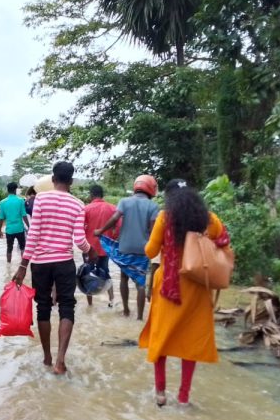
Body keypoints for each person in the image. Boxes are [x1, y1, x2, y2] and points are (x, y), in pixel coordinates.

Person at [139, 178, 231, 406]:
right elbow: (224, 246)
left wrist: (151, 241)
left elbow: (150, 252)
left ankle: (160, 393)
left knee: (161, 337)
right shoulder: (209, 219)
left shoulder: (164, 218)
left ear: (169, 198)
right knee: (191, 341)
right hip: (198, 286)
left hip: (168, 288)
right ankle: (183, 396)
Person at [13, 161, 97, 375]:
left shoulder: (40, 199)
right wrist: (91, 250)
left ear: (53, 179)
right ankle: (60, 361)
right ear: (71, 181)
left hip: (40, 264)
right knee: (67, 307)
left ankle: (47, 357)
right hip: (64, 263)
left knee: (43, 307)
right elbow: (79, 240)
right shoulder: (78, 204)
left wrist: (23, 265)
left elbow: (33, 234)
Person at [95, 174, 159, 320]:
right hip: (143, 249)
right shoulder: (153, 206)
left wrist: (101, 231)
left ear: (136, 186)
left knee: (124, 278)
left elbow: (114, 218)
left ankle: (126, 311)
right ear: (151, 188)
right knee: (140, 283)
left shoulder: (124, 201)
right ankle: (140, 318)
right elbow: (153, 230)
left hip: (125, 247)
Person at [82, 184, 118, 308]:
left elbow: (80, 229)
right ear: (102, 195)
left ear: (91, 195)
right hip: (105, 248)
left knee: (87, 275)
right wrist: (112, 240)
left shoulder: (86, 209)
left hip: (89, 249)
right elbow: (118, 228)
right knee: (106, 273)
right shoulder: (112, 208)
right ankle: (111, 301)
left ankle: (90, 305)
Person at [0, 182, 29, 263]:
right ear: (15, 190)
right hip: (19, 229)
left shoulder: (2, 202)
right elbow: (24, 215)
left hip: (9, 230)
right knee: (22, 248)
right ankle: (23, 265)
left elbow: (1, 218)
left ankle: (8, 266)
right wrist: (29, 227)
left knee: (9, 248)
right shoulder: (20, 200)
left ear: (7, 190)